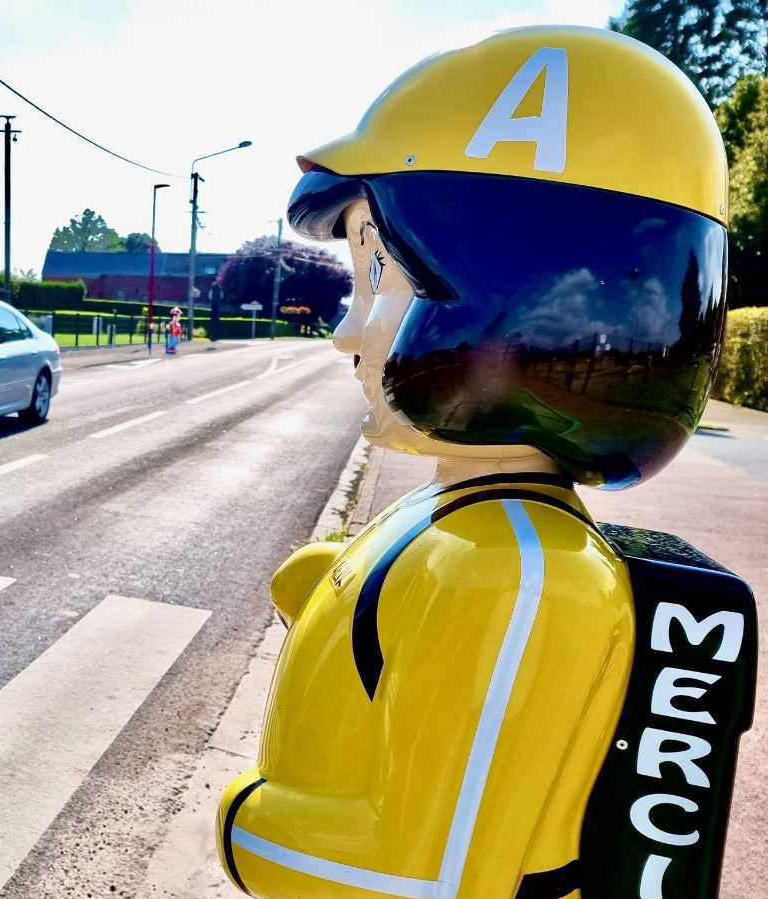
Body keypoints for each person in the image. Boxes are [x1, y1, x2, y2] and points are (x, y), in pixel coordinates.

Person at [217, 25, 756, 899]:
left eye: (379, 278)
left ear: (507, 299)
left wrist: (240, 820)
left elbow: (425, 879)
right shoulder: (471, 531)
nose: (346, 329)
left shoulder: (519, 575)